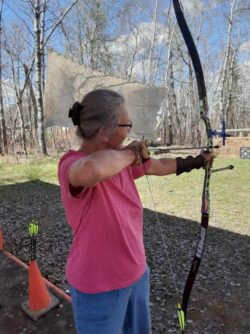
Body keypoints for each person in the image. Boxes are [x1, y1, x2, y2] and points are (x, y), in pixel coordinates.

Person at [58, 89, 214, 334]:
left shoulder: (120, 160)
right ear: (103, 133)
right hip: (98, 286)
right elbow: (92, 170)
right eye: (126, 123)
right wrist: (130, 154)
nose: (129, 129)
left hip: (136, 274)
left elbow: (160, 165)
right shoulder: (71, 164)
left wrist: (197, 161)